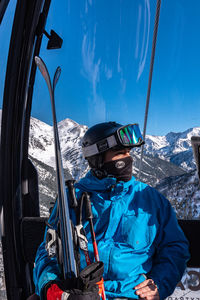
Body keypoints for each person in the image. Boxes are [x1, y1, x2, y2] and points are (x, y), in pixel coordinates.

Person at [33, 121, 190, 300]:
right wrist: (50, 287)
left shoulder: (151, 200)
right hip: (82, 292)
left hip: (132, 294)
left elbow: (175, 247)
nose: (127, 159)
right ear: (97, 158)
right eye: (119, 153)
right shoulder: (72, 199)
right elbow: (48, 250)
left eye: (129, 153)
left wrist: (160, 283)